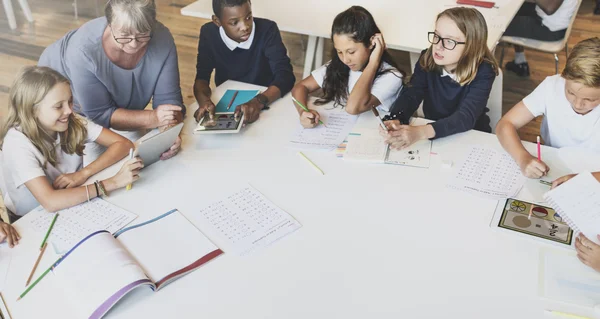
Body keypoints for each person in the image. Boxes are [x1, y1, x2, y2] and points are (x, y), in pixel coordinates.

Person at [38, 0, 184, 163]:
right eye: (124, 36)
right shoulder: (83, 50)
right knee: (95, 162)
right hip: (77, 111)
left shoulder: (162, 37)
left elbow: (169, 100)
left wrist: (169, 132)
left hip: (115, 106)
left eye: (142, 34)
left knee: (141, 156)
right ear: (110, 24)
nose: (134, 44)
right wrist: (154, 118)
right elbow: (100, 114)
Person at [0, 66, 142, 216]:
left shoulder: (68, 120)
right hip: (31, 216)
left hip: (72, 199)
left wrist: (83, 173)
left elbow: (124, 145)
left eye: (70, 101)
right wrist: (113, 182)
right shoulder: (16, 143)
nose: (68, 110)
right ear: (32, 110)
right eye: (58, 106)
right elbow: (51, 201)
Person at [382, 7, 498, 150]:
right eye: (437, 36)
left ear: (471, 47)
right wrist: (396, 118)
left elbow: (465, 117)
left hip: (471, 135)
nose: (438, 46)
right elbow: (413, 93)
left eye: (449, 41)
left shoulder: (484, 71)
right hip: (435, 132)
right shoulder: (428, 57)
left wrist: (420, 132)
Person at [291, 6, 404, 128]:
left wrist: (373, 63)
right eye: (339, 52)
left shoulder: (392, 76)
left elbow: (353, 108)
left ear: (372, 43)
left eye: (351, 52)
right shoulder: (339, 65)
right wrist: (303, 112)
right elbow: (301, 87)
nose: (345, 59)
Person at [193, 0, 295, 124]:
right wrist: (205, 102)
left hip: (267, 99)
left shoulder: (267, 29)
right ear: (217, 21)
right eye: (234, 22)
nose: (245, 27)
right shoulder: (209, 33)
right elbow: (202, 77)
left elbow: (285, 76)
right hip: (228, 102)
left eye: (248, 17)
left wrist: (258, 102)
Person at [503, 0, 578, 77]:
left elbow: (549, 8)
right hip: (550, 20)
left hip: (548, 29)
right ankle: (520, 61)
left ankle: (491, 72)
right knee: (511, 9)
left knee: (499, 21)